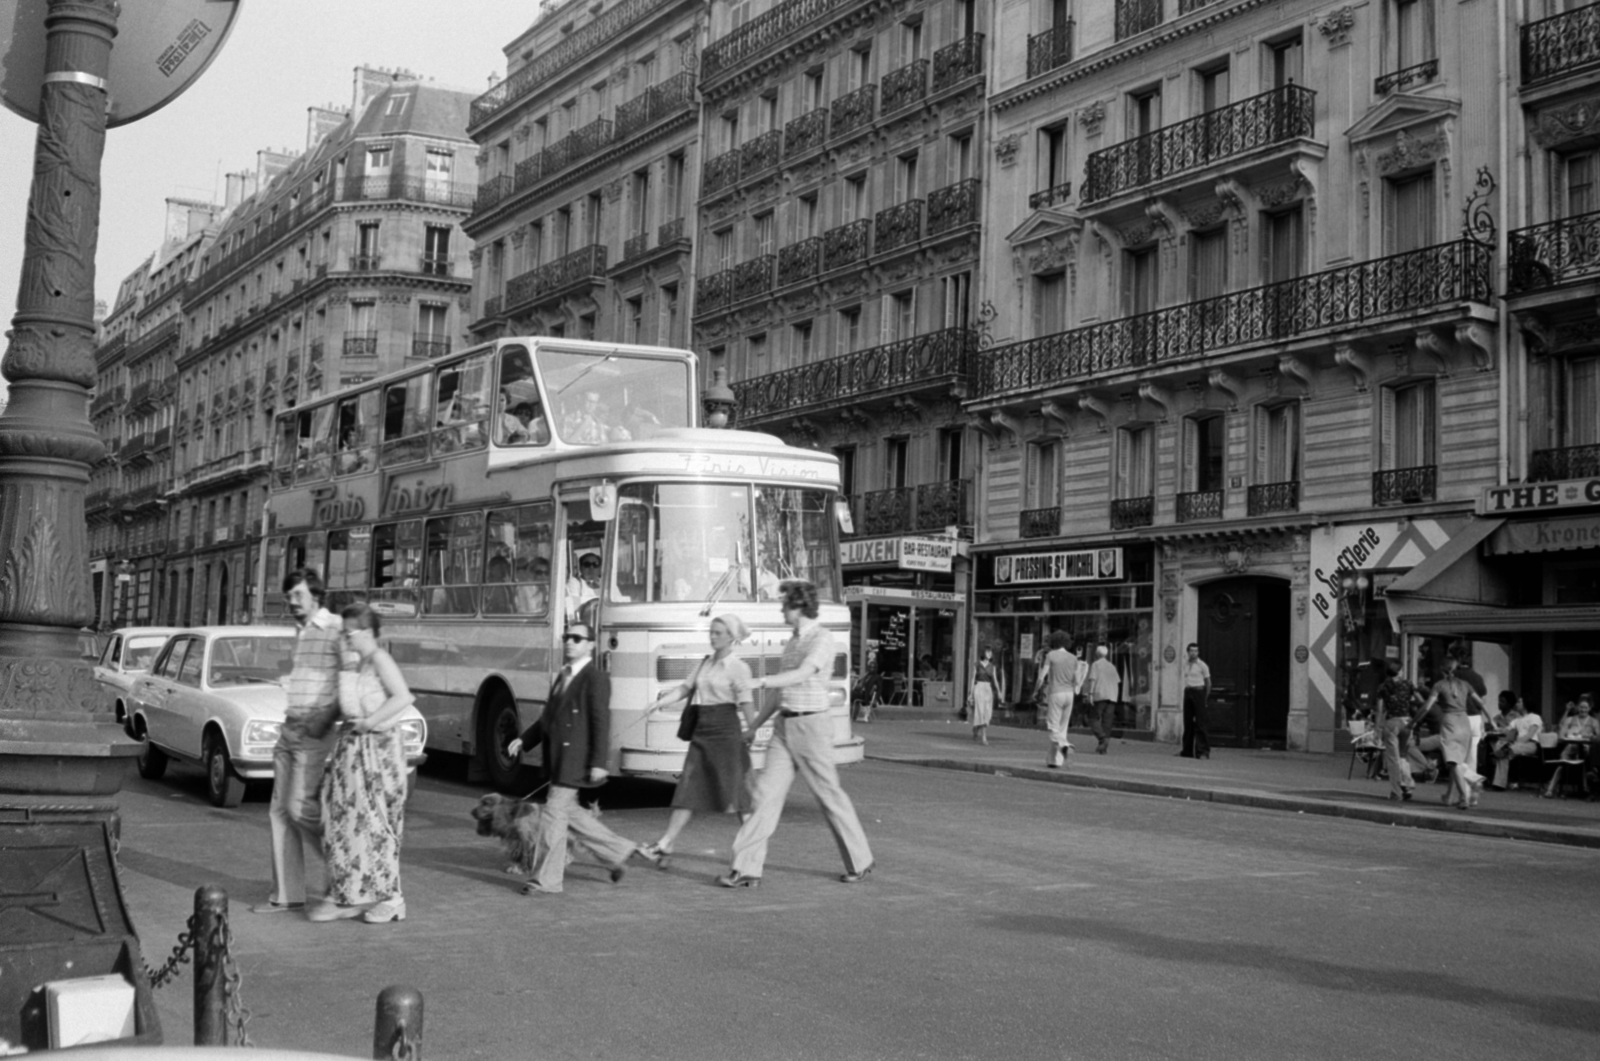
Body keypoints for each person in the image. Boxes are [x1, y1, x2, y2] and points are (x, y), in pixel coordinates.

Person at [718, 581, 873, 888]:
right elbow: (781, 691)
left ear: (800, 607)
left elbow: (804, 674)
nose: (781, 610)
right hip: (784, 727)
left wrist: (760, 681)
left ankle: (860, 860)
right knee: (763, 795)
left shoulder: (822, 639)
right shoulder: (791, 642)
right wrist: (754, 727)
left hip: (812, 726)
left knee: (828, 795)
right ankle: (746, 868)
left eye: (785, 605)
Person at [505, 623, 657, 893]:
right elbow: (548, 718)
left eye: (577, 638)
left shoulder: (595, 678)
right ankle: (619, 852)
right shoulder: (564, 675)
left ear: (590, 644)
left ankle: (546, 880)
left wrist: (599, 761)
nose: (570, 642)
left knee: (553, 816)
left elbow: (601, 721)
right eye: (567, 637)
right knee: (572, 815)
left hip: (575, 759)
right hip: (559, 759)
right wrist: (524, 740)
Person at [312, 603, 415, 924]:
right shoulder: (355, 663)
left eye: (349, 633)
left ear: (368, 633)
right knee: (342, 822)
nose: (344, 638)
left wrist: (370, 722)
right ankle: (350, 894)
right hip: (351, 751)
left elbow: (403, 697)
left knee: (376, 824)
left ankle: (393, 899)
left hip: (378, 752)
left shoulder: (380, 659)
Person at [252, 568, 342, 916]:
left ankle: (342, 871)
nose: (291, 602)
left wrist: (327, 716)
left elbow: (347, 677)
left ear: (317, 595)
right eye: (288, 596)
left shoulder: (333, 628)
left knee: (300, 808)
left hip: (313, 729)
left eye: (298, 595)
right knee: (279, 812)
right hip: (289, 727)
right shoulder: (302, 631)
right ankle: (286, 895)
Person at [639, 615, 756, 863]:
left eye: (718, 633)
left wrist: (752, 729)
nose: (713, 637)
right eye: (711, 632)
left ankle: (751, 852)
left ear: (731, 636)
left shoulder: (738, 667)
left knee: (738, 794)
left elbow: (746, 702)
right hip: (702, 732)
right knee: (688, 788)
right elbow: (685, 689)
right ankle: (666, 842)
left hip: (727, 733)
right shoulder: (705, 663)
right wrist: (659, 703)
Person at [1418, 654, 1487, 809]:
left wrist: (1415, 721)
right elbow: (1481, 701)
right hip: (1471, 720)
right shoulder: (1471, 680)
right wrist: (1490, 721)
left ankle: (1468, 787)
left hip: (1453, 721)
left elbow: (1428, 705)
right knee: (1464, 760)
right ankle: (1453, 796)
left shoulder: (1442, 683)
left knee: (1455, 762)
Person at [1374, 659, 1420, 802]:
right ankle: (1407, 785)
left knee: (1393, 759)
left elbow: (1380, 710)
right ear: (1399, 671)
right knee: (1403, 756)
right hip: (1407, 722)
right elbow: (1420, 700)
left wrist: (1377, 729)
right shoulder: (1408, 684)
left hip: (1392, 723)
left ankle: (1396, 792)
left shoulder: (1383, 687)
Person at [1033, 632, 1080, 769]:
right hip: (1069, 694)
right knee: (1063, 727)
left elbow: (1042, 677)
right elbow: (1077, 680)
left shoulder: (1051, 656)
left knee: (1053, 727)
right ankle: (1054, 761)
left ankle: (1065, 745)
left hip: (1056, 693)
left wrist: (1036, 691)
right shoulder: (1073, 658)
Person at [1543, 694, 1600, 798]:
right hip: (1571, 746)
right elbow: (1561, 733)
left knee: (1584, 757)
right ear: (1578, 707)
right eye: (1581, 707)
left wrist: (1588, 736)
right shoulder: (1570, 719)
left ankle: (1585, 788)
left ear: (1589, 708)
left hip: (1586, 747)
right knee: (1563, 762)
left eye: (1586, 708)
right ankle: (1550, 789)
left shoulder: (1594, 722)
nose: (1583, 710)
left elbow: (1598, 736)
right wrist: (1568, 733)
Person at [1489, 694, 1541, 791]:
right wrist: (1494, 729)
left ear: (1525, 704)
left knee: (1505, 751)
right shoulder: (1517, 720)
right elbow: (1506, 730)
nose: (1517, 704)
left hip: (1531, 744)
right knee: (1504, 754)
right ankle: (1499, 785)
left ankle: (1499, 783)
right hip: (1517, 746)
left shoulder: (1535, 717)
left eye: (1519, 702)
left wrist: (1517, 743)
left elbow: (1530, 734)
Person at [1085, 645, 1121, 755]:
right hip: (1112, 695)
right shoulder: (1112, 666)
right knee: (1107, 721)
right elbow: (1117, 681)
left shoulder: (1095, 665)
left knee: (1093, 718)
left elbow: (1092, 679)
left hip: (1100, 694)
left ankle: (1102, 738)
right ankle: (1104, 747)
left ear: (1096, 654)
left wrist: (1090, 694)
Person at [1179, 643, 1211, 759]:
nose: (1193, 653)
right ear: (1188, 652)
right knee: (1188, 722)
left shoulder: (1202, 665)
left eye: (1196, 651)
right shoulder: (1185, 664)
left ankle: (1203, 751)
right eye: (1191, 651)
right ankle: (1187, 750)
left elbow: (1208, 683)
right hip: (1188, 691)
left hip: (1199, 691)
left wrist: (1205, 698)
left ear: (1198, 652)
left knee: (1200, 723)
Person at [970, 645, 1003, 746]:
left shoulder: (992, 667)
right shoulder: (977, 665)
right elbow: (972, 679)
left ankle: (976, 728)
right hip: (979, 687)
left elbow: (995, 680)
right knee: (981, 712)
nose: (990, 654)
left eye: (991, 652)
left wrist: (999, 691)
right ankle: (984, 736)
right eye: (988, 652)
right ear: (983, 653)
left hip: (988, 689)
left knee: (987, 713)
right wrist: (970, 693)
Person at [565, 551, 601, 620]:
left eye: (595, 564)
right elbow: (573, 605)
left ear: (599, 568)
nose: (591, 567)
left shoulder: (605, 583)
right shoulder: (574, 582)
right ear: (580, 568)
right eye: (587, 564)